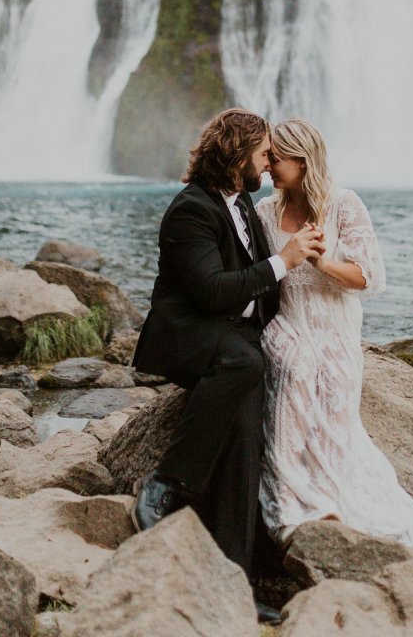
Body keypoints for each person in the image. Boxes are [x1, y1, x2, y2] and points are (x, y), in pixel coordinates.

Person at [130, 108, 324, 624]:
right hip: (188, 333)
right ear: (236, 153)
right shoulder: (190, 210)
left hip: (232, 338)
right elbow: (213, 293)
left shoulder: (241, 204)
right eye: (263, 152)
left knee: (246, 430)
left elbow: (263, 292)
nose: (269, 161)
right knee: (244, 359)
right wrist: (284, 260)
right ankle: (166, 482)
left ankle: (233, 581)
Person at [256, 118, 413, 548]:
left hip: (335, 328)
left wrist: (322, 262)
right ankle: (290, 504)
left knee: (334, 386)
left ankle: (330, 500)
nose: (267, 167)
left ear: (302, 159)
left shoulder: (344, 204)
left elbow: (369, 277)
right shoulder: (263, 212)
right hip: (288, 321)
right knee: (295, 370)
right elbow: (259, 277)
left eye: (276, 158)